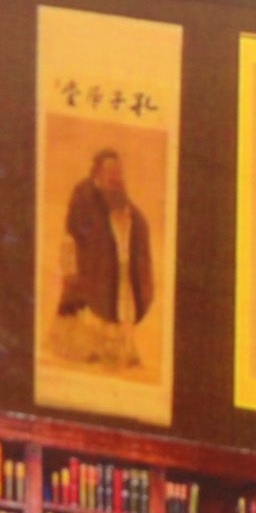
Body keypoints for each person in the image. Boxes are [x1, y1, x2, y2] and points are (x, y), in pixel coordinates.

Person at [52, 147, 155, 366]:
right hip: (87, 271)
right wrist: (71, 268)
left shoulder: (122, 201)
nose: (115, 176)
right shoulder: (84, 196)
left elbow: (133, 222)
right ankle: (87, 351)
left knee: (120, 310)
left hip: (117, 270)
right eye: (110, 171)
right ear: (98, 172)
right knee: (87, 315)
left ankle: (121, 352)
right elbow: (72, 235)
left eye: (118, 171)